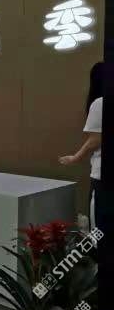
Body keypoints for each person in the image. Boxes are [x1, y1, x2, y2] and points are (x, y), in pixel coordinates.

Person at [59, 62, 103, 230]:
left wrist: (75, 158)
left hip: (101, 177)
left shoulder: (100, 103)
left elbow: (96, 139)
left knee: (98, 227)